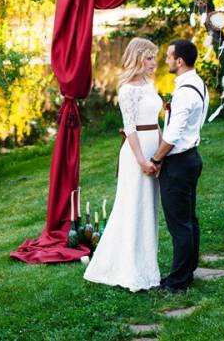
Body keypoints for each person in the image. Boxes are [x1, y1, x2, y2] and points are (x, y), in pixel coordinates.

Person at [83, 37, 163, 292]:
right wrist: (142, 161)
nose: (153, 62)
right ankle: (128, 268)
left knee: (149, 207)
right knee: (133, 206)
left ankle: (147, 264)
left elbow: (156, 122)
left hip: (154, 147)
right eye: (149, 57)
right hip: (136, 153)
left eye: (154, 57)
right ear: (137, 58)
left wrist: (161, 153)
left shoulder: (149, 84)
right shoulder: (127, 89)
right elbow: (130, 128)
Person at [148, 38, 208, 293]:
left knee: (179, 224)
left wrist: (156, 159)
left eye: (169, 56)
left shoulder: (184, 93)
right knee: (188, 220)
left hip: (179, 163)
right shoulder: (198, 83)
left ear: (179, 61)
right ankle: (188, 271)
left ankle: (177, 282)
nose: (166, 60)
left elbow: (172, 136)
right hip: (191, 157)